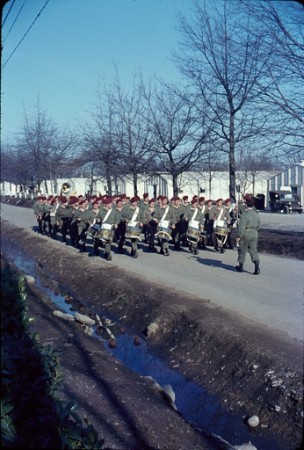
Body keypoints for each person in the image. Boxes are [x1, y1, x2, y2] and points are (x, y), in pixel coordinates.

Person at [235, 197, 261, 275]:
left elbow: (241, 227)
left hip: (246, 233)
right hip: (254, 233)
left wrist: (238, 236)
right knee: (253, 250)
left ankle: (240, 266)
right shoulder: (256, 214)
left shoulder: (245, 214)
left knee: (242, 250)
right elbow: (259, 225)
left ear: (246, 205)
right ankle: (256, 267)